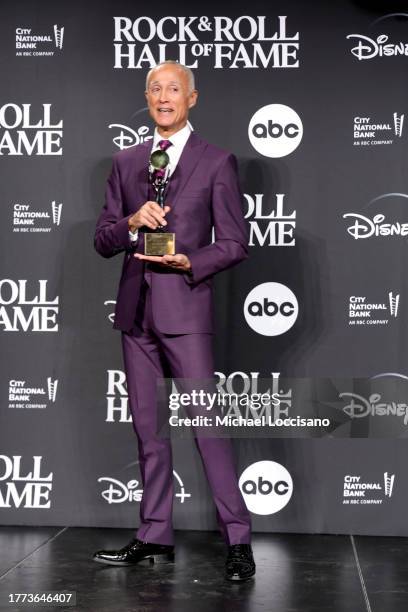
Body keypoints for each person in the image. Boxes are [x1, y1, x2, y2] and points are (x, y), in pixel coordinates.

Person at [92, 60, 255, 582]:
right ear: (147, 97)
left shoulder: (217, 162)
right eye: (155, 89)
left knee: (207, 428)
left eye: (173, 90)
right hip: (136, 314)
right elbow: (101, 240)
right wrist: (130, 220)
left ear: (192, 98)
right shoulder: (126, 161)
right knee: (148, 431)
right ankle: (154, 533)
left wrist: (192, 261)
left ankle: (238, 541)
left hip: (185, 310)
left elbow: (234, 243)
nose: (164, 97)